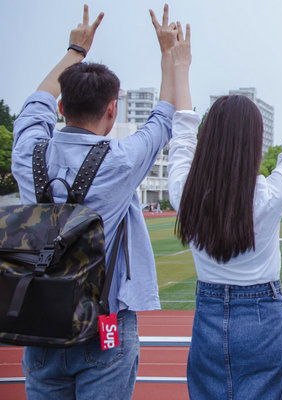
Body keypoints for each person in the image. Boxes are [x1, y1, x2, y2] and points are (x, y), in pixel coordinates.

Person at [10, 4, 182, 399]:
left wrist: (75, 49)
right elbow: (165, 116)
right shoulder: (121, 161)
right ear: (112, 109)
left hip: (38, 324)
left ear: (61, 109)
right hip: (103, 324)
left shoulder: (26, 155)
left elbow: (36, 102)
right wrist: (168, 53)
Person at [167, 7, 282, 399]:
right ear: (255, 145)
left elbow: (183, 130)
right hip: (263, 319)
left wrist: (180, 66)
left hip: (207, 318)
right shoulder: (269, 197)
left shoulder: (183, 192)